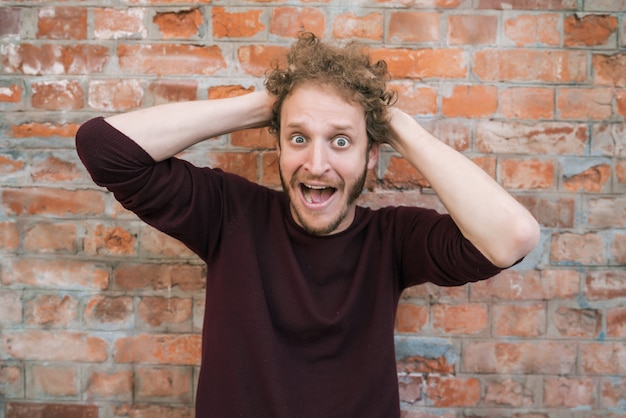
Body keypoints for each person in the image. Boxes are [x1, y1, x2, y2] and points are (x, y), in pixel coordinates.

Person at [76, 33, 539, 417]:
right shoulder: (229, 213)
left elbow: (513, 237)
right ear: (277, 144)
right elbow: (103, 149)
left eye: (341, 141)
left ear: (370, 155)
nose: (317, 164)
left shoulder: (393, 240)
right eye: (299, 138)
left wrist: (394, 124)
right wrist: (271, 104)